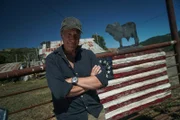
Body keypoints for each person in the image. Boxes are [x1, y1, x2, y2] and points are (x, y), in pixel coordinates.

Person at [46, 17, 108, 120]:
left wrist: (73, 80)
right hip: (70, 116)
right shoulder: (52, 59)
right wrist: (91, 80)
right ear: (62, 34)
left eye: (76, 35)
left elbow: (103, 80)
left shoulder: (88, 54)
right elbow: (59, 92)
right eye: (68, 34)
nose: (72, 39)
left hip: (96, 112)